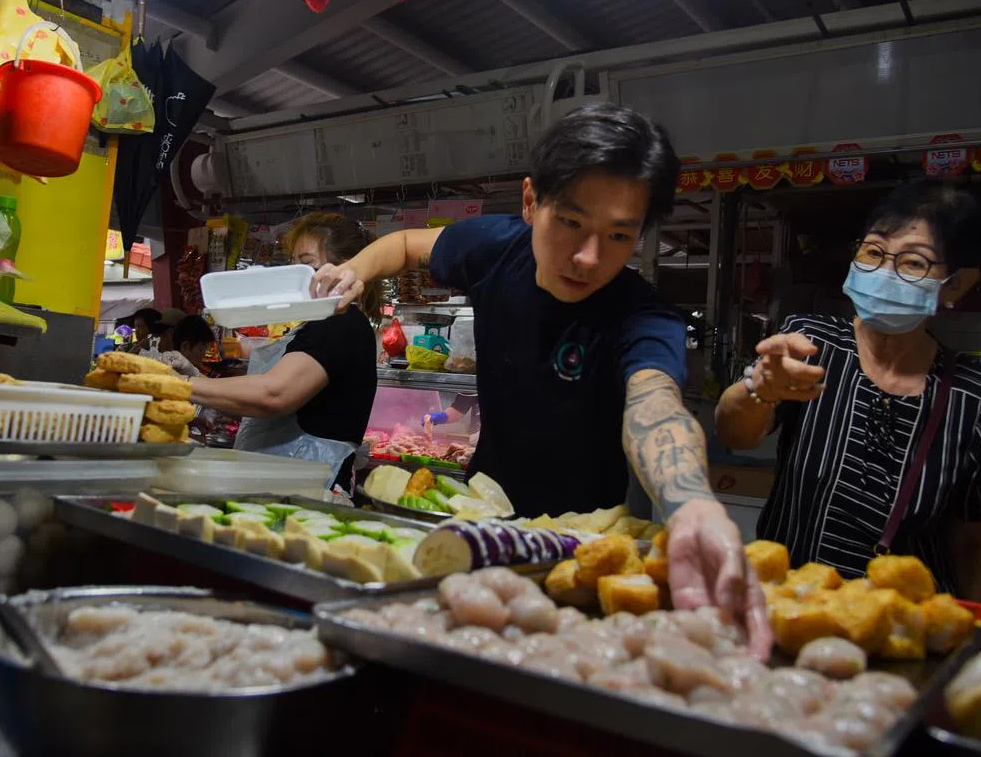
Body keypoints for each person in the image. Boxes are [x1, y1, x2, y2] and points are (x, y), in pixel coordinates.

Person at [313, 102, 770, 657]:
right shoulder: (495, 248)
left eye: (619, 236)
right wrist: (356, 268)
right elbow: (409, 244)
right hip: (477, 516)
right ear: (531, 202)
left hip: (579, 546)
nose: (587, 256)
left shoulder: (642, 317)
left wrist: (693, 505)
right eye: (571, 223)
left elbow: (657, 407)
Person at [714, 179, 981, 602]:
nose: (884, 274)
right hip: (792, 608)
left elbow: (974, 539)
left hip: (903, 626)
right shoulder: (810, 343)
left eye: (912, 263)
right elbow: (734, 434)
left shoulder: (976, 397)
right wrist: (757, 390)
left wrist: (971, 632)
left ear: (956, 285)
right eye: (873, 252)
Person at [183, 213, 381, 494]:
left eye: (307, 263)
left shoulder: (341, 324)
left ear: (345, 268)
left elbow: (274, 394)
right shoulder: (318, 323)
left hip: (309, 491)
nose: (295, 273)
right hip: (282, 485)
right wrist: (198, 383)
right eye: (293, 263)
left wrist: (181, 385)